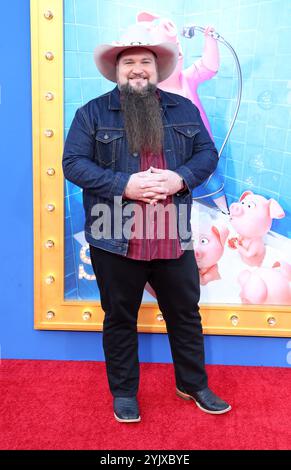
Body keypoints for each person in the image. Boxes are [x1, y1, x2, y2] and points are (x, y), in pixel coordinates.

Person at [62, 24, 231, 423]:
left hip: (172, 232)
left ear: (157, 69)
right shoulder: (91, 113)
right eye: (129, 63)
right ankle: (123, 392)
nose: (137, 69)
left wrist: (181, 178)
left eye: (145, 62)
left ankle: (193, 384)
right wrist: (126, 184)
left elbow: (207, 155)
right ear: (116, 70)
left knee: (186, 313)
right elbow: (73, 163)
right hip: (114, 232)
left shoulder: (183, 109)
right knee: (119, 316)